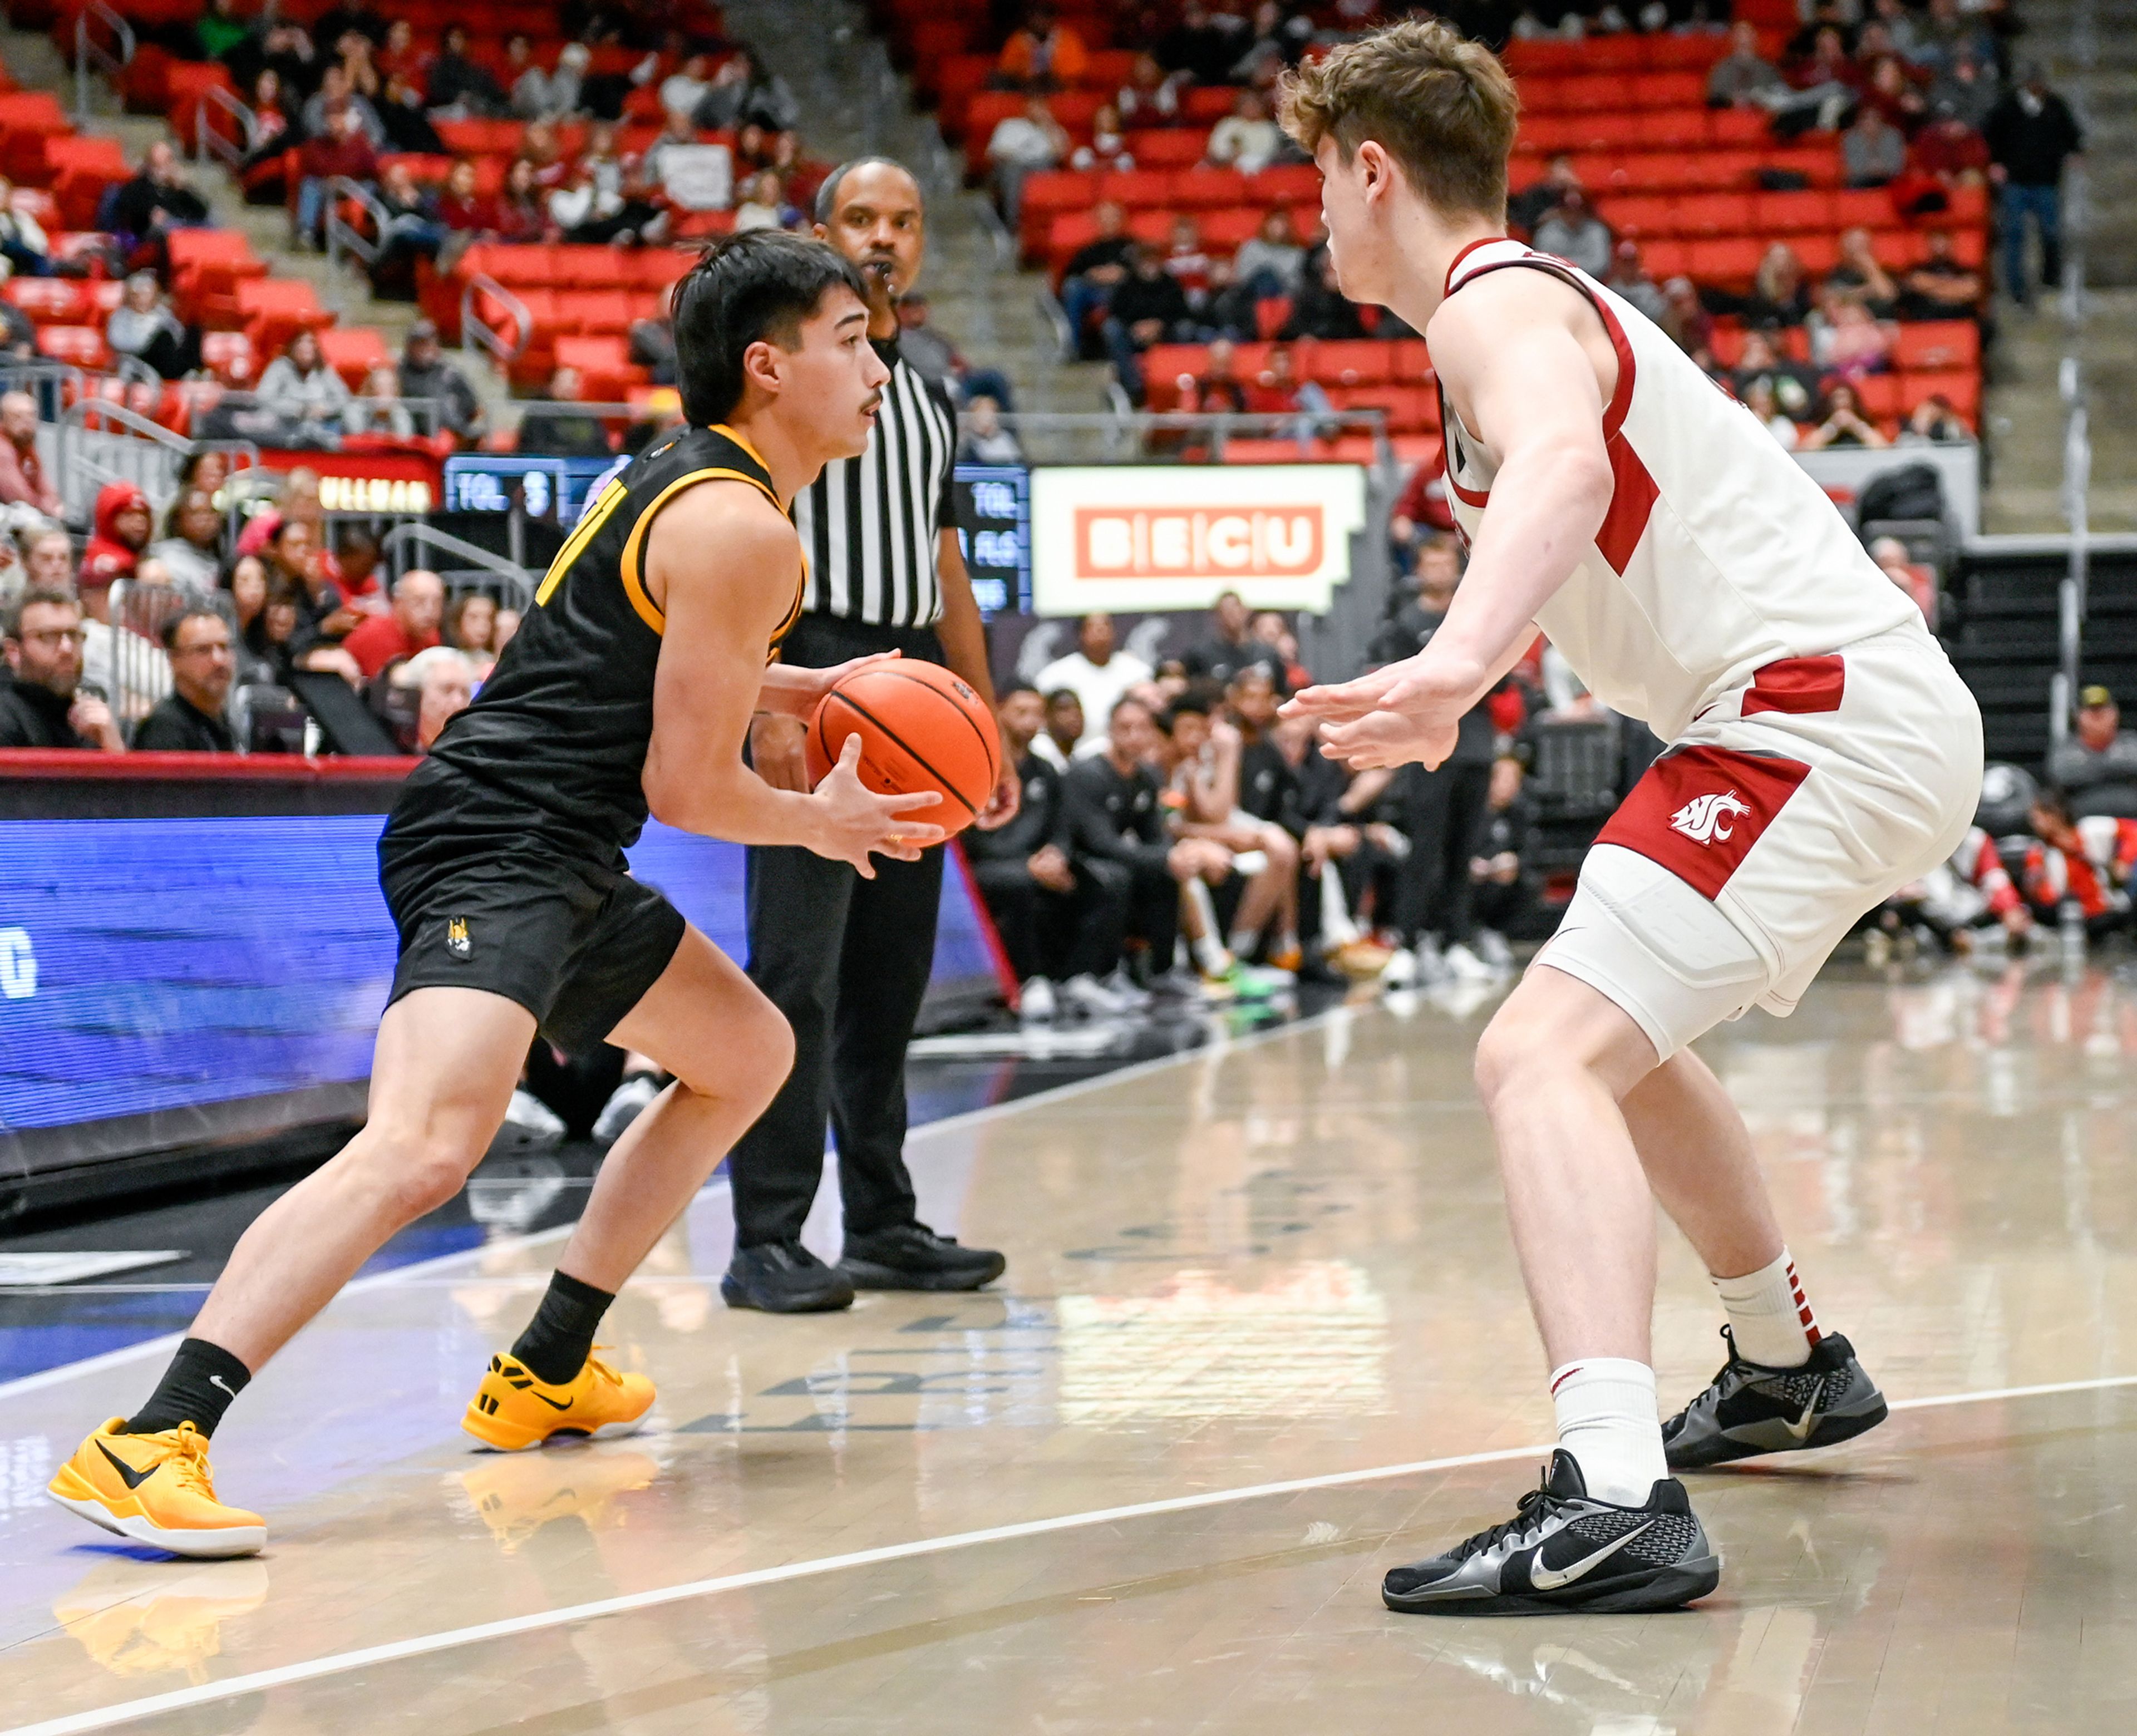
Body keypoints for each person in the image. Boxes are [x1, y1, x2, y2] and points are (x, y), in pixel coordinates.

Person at [46, 230, 939, 1559]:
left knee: (747, 1049)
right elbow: (688, 782)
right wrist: (822, 816)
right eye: (851, 340)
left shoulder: (697, 485)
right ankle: (151, 1435)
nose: (878, 364)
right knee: (421, 1145)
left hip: (557, 846)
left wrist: (812, 690)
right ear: (768, 366)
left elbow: (637, 670)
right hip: (499, 838)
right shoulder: (742, 524)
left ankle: (547, 1363)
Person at [1278, 19, 1981, 1615]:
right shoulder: (1520, 309)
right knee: (1621, 1042)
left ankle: (1609, 1492)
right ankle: (1784, 1363)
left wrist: (1460, 663)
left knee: (1536, 1056)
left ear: (1373, 169)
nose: (1313, 214)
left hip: (1811, 715)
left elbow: (1569, 473)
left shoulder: (1495, 304)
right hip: (1828, 715)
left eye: (1319, 178)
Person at [725, 160, 1018, 1316]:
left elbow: (950, 575)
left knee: (887, 982)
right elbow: (746, 542)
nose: (884, 238)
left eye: (903, 221)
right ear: (821, 232)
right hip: (814, 667)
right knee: (795, 974)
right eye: (862, 219)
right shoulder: (790, 386)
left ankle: (884, 1222)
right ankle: (766, 1236)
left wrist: (982, 723)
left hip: (912, 685)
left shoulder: (927, 399)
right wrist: (765, 705)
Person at [1369, 537, 1504, 984]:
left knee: (1464, 852)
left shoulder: (1474, 622)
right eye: (1431, 562)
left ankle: (1456, 943)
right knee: (1422, 849)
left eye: (1446, 562)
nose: (1439, 570)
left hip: (1476, 749)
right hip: (1429, 749)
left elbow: (1501, 684)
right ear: (1420, 569)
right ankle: (1407, 944)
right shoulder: (1405, 624)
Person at [967, 684, 1135, 1019]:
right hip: (989, 866)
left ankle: (1080, 976)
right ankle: (1031, 981)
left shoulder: (1045, 770)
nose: (1031, 722)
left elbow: (1062, 826)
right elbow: (972, 841)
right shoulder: (976, 766)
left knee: (1108, 879)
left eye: (1036, 714)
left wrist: (1056, 854)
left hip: (1038, 864)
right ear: (999, 712)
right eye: (1021, 712)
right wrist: (1028, 865)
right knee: (1020, 884)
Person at [1062, 696, 1233, 988]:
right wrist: (1168, 857)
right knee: (1119, 878)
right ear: (1110, 731)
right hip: (1078, 859)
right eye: (1126, 728)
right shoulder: (1087, 775)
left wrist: (1182, 855)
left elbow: (1157, 837)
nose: (1134, 737)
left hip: (1118, 857)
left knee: (1170, 872)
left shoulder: (1148, 777)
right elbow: (1099, 842)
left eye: (1142, 728)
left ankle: (1161, 971)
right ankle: (1096, 976)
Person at [1982, 65, 2085, 308]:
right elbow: (1989, 134)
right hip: (2016, 182)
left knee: (2051, 233)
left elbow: (2072, 133)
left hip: (2046, 181)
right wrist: (1996, 162)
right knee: (2015, 235)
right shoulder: (2007, 108)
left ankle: (2051, 278)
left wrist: (2074, 152)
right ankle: (2016, 288)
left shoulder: (2055, 106)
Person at [0, 589, 124, 751]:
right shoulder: (6, 719)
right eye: (49, 636)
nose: (67, 648)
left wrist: (114, 748)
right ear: (14, 652)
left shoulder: (91, 723)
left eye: (73, 635)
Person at [1036, 612, 1153, 749]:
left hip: (1126, 754)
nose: (1101, 633)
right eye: (1094, 628)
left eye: (1106, 627)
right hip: (1074, 754)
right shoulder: (1054, 675)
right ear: (1080, 635)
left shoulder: (1137, 671)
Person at [132, 608, 237, 751]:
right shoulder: (163, 730)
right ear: (174, 660)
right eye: (203, 650)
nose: (219, 660)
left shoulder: (223, 724)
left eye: (224, 647)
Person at [1058, 201, 1136, 361]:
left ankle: (1114, 346)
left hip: (1121, 292)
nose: (1108, 223)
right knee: (1072, 287)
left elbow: (1144, 272)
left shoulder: (1132, 246)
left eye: (1112, 218)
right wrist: (1092, 274)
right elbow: (1071, 273)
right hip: (1093, 291)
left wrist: (1124, 274)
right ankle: (1074, 347)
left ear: (1121, 220)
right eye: (1104, 219)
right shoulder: (1090, 249)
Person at [2047, 685, 2137, 820]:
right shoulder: (2066, 748)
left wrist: (2092, 766)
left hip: (2132, 822)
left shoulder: (2131, 741)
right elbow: (2061, 775)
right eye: (2092, 712)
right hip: (2081, 824)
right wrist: (2117, 768)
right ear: (2078, 716)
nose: (2098, 717)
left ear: (2115, 713)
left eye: (2103, 711)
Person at [340, 569, 444, 678]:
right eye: (419, 602)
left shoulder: (430, 634)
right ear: (399, 603)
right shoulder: (375, 634)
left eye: (437, 602)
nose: (430, 610)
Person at [398, 319, 484, 445]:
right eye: (419, 344)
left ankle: (459, 435)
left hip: (451, 433)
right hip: (416, 434)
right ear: (409, 346)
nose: (425, 348)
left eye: (428, 343)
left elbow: (471, 404)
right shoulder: (401, 373)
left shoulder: (448, 372)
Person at [258, 328, 353, 442]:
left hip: (322, 431)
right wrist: (298, 410)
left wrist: (325, 409)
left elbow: (344, 398)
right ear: (292, 347)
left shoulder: (323, 371)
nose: (306, 346)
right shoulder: (279, 367)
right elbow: (263, 399)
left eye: (311, 342)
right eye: (301, 342)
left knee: (353, 414)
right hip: (286, 431)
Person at [986, 95, 1068, 225]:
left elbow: (1061, 154)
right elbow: (995, 153)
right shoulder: (1010, 125)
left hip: (1041, 166)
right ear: (1026, 107)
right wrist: (1019, 157)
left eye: (1041, 107)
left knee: (1046, 168)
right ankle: (1015, 223)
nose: (1036, 110)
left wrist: (1048, 125)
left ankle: (1044, 221)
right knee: (1014, 171)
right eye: (1033, 105)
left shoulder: (1053, 129)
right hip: (1011, 166)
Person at [1183, 589, 1287, 691]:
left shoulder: (1267, 653)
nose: (1232, 615)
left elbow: (1281, 692)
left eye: (1235, 609)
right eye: (1226, 611)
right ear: (1216, 616)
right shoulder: (1200, 655)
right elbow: (1194, 694)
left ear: (1246, 612)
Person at [105, 271, 200, 380]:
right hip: (137, 359)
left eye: (147, 294)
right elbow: (119, 342)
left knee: (194, 331)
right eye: (137, 295)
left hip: (164, 361)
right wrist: (150, 340)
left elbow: (178, 334)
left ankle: (190, 373)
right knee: (163, 338)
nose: (142, 299)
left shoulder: (162, 313)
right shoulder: (121, 317)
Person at [149, 490, 226, 591]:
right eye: (197, 513)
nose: (206, 519)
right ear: (178, 521)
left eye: (211, 512)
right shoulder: (161, 558)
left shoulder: (222, 563)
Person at [0, 390, 60, 519]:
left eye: (31, 416)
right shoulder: (3, 448)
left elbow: (46, 487)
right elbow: (17, 498)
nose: (27, 422)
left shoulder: (26, 445)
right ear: (3, 420)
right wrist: (45, 506)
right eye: (18, 417)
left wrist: (52, 503)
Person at [1205, 88, 1283, 176]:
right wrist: (1230, 157)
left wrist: (1242, 157)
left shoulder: (1267, 128)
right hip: (1223, 162)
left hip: (1257, 166)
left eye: (1254, 105)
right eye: (1247, 105)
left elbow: (1268, 152)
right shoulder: (1228, 124)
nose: (1251, 109)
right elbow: (1215, 148)